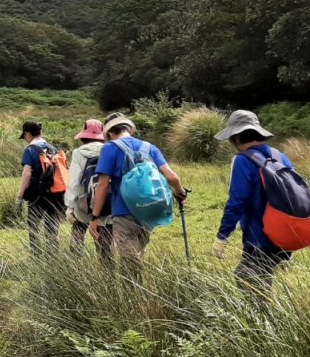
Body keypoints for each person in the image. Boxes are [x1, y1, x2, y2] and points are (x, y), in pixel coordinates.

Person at [91, 114, 186, 278]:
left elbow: (103, 185)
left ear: (110, 134)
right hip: (148, 211)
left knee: (130, 263)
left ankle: (135, 297)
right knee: (138, 255)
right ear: (129, 129)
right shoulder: (150, 147)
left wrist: (94, 217)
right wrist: (180, 192)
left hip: (123, 211)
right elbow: (172, 177)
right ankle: (139, 293)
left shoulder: (110, 148)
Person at [212, 110, 294, 291]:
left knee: (248, 282)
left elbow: (236, 203)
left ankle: (266, 319)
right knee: (262, 279)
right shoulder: (280, 156)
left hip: (258, 237)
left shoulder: (242, 160)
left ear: (235, 137)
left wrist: (222, 237)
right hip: (286, 235)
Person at [16, 121, 66, 256]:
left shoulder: (30, 150)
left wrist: (20, 196)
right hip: (55, 193)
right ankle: (52, 254)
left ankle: (36, 255)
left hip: (36, 195)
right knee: (52, 226)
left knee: (33, 224)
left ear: (27, 134)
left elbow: (27, 173)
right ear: (41, 133)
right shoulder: (53, 148)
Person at [65, 118, 113, 261]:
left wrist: (70, 206)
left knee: (78, 232)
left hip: (83, 202)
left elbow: (73, 181)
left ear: (84, 136)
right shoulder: (110, 150)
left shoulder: (79, 153)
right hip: (107, 200)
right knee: (104, 239)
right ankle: (106, 270)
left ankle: (75, 266)